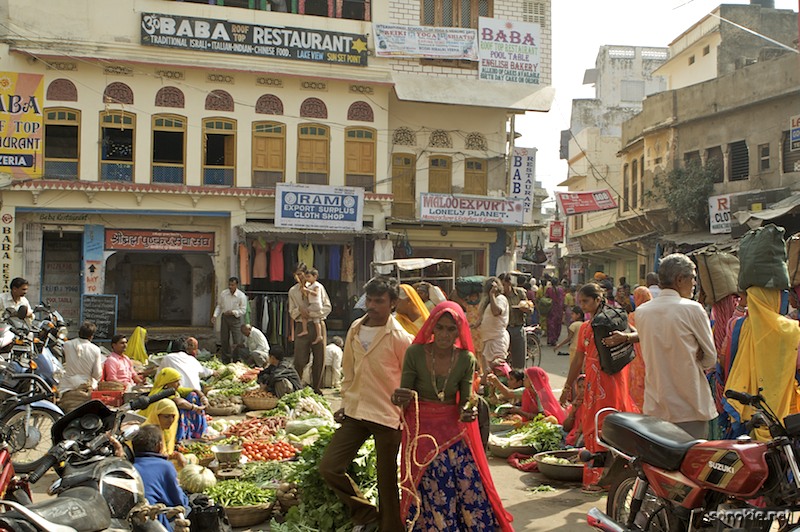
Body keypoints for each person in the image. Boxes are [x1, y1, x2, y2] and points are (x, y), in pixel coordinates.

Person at [392, 301, 513, 531]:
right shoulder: (415, 353)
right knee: (437, 477)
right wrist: (397, 398)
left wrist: (469, 409)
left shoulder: (466, 359)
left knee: (468, 482)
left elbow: (467, 397)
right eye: (440, 328)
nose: (445, 334)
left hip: (452, 428)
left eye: (451, 329)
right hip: (422, 429)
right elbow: (404, 393)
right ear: (431, 328)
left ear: (459, 331)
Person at [319, 276, 414, 532]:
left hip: (388, 416)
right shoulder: (355, 329)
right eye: (369, 300)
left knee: (386, 481)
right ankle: (365, 512)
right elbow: (348, 371)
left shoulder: (401, 338)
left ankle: (391, 528)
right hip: (356, 413)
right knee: (329, 467)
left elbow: (410, 377)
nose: (372, 306)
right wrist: (344, 401)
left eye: (379, 301)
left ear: (392, 303)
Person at [629, 253, 717, 439]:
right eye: (693, 278)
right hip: (690, 405)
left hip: (656, 403)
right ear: (679, 279)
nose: (694, 284)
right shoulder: (692, 309)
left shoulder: (642, 312)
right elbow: (710, 358)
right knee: (692, 462)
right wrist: (692, 360)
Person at [561, 282, 638, 491]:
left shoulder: (611, 320)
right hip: (593, 383)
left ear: (597, 300)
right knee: (592, 424)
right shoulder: (586, 328)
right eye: (580, 302)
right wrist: (568, 387)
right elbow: (577, 360)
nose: (582, 305)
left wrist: (625, 337)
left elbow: (637, 335)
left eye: (586, 301)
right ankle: (598, 477)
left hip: (611, 381)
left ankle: (609, 479)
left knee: (607, 423)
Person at [725, 285, 800, 442]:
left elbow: (724, 360)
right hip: (784, 414)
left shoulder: (737, 326)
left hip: (745, 408)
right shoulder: (791, 330)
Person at [131, 424, 190, 532]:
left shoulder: (130, 465)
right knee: (188, 507)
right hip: (154, 521)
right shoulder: (165, 466)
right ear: (159, 446)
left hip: (133, 519)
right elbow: (178, 501)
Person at [288, 264, 331, 394]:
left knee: (319, 358)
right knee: (300, 359)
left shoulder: (318, 287)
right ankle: (297, 386)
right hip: (302, 325)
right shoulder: (293, 291)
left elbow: (327, 307)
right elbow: (292, 311)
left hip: (318, 324)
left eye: (302, 274)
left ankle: (317, 388)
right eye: (297, 275)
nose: (300, 277)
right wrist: (300, 311)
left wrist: (311, 313)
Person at [149, 367, 209, 442]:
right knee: (181, 409)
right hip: (156, 424)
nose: (179, 384)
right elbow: (180, 403)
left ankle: (197, 433)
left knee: (193, 395)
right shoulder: (160, 393)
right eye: (176, 381)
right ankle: (180, 438)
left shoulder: (173, 389)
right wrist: (196, 408)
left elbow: (195, 390)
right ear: (167, 383)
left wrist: (203, 398)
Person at [60, 321, 103, 411]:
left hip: (67, 386)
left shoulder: (67, 345)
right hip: (85, 387)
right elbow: (97, 374)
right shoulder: (95, 349)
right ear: (91, 336)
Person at [472, 277, 509, 375]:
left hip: (497, 339)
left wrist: (492, 294)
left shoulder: (500, 299)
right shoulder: (488, 301)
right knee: (488, 370)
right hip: (488, 339)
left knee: (498, 368)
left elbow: (496, 312)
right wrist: (474, 325)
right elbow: (483, 318)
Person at [139, 398, 186, 467]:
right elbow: (151, 458)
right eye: (166, 417)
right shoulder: (148, 433)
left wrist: (176, 455)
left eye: (173, 416)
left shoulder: (165, 432)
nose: (171, 420)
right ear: (156, 416)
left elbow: (165, 454)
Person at [626, 286, 652, 411]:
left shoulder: (632, 317)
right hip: (652, 356)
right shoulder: (655, 315)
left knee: (636, 385)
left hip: (635, 358)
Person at [211, 276, 247, 363]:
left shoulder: (241, 296)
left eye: (232, 285)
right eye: (229, 285)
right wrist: (215, 315)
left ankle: (236, 359)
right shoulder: (224, 294)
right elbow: (219, 306)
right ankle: (225, 359)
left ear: (236, 285)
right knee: (224, 339)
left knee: (236, 339)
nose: (230, 287)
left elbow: (243, 310)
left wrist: (233, 312)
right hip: (225, 318)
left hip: (235, 319)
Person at [499, 273, 531, 369]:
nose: (502, 288)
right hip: (504, 329)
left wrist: (525, 309)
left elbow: (529, 308)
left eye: (503, 285)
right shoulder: (500, 296)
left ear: (509, 283)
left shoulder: (520, 293)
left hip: (517, 328)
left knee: (519, 360)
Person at [294, 268, 324, 345]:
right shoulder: (308, 286)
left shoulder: (316, 285)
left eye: (308, 277)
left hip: (315, 305)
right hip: (314, 305)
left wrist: (307, 291)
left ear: (315, 277)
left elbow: (316, 294)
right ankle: (319, 335)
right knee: (316, 321)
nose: (306, 279)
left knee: (304, 314)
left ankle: (305, 330)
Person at [563, 375, 587, 447]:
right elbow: (566, 428)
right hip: (573, 435)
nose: (582, 390)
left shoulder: (592, 405)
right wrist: (573, 411)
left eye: (585, 387)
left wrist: (578, 435)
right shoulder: (575, 404)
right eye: (579, 387)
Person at [545, 278, 565, 346]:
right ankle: (555, 339)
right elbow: (562, 299)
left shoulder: (549, 289)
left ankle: (550, 339)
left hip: (550, 308)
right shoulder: (561, 290)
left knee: (550, 324)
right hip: (559, 309)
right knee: (557, 324)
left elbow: (546, 298)